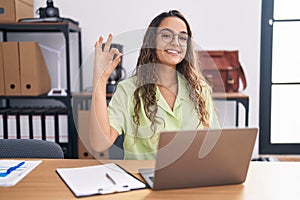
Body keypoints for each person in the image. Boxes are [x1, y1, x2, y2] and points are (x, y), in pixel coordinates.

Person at [89, 10, 220, 160]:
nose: (176, 43)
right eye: (166, 35)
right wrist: (99, 81)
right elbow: (100, 143)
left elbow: (213, 144)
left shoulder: (200, 90)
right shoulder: (129, 89)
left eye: (183, 38)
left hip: (190, 178)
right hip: (142, 179)